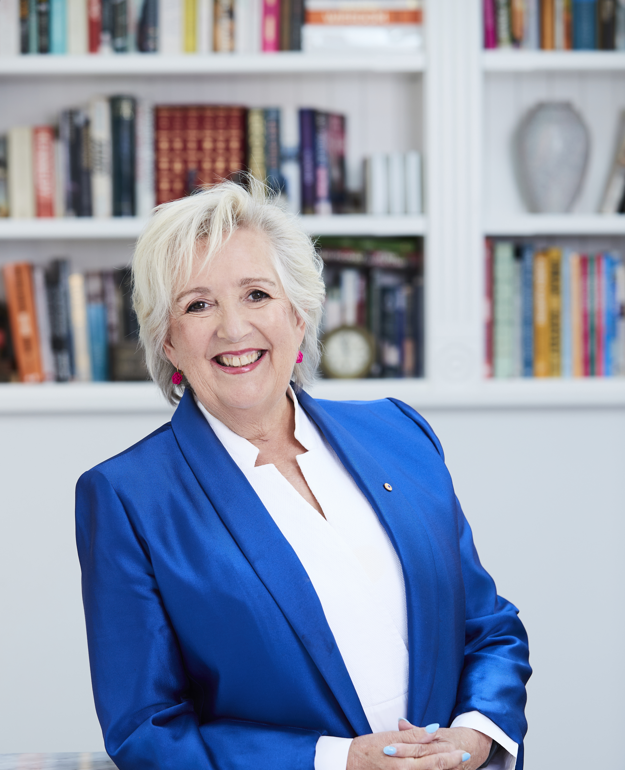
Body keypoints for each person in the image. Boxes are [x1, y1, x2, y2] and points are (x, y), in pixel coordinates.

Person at [75, 180, 531, 770]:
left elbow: (488, 628)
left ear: (299, 313)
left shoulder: (399, 433)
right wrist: (337, 760)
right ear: (168, 341)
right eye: (197, 305)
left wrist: (475, 736)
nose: (233, 329)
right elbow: (146, 731)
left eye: (257, 294)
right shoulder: (127, 498)